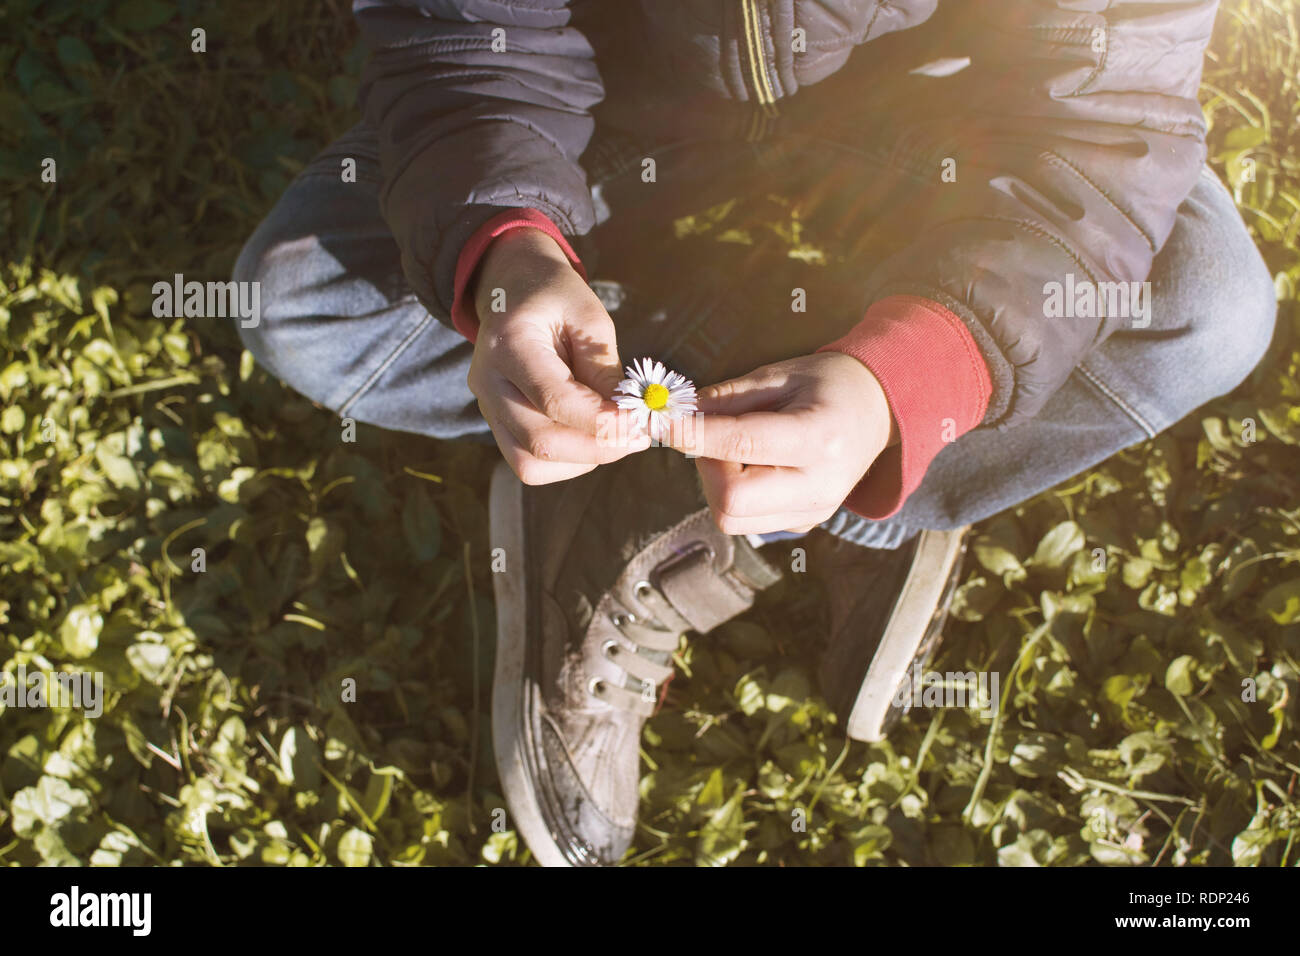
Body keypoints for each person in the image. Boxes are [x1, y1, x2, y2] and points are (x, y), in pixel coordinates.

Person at [233, 0, 1276, 866]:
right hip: (605, 117)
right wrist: (506, 251)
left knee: (1205, 308)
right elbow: (461, 33)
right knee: (301, 303)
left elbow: (1103, 128)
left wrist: (912, 373)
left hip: (949, 143)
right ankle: (809, 459)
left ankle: (823, 464)